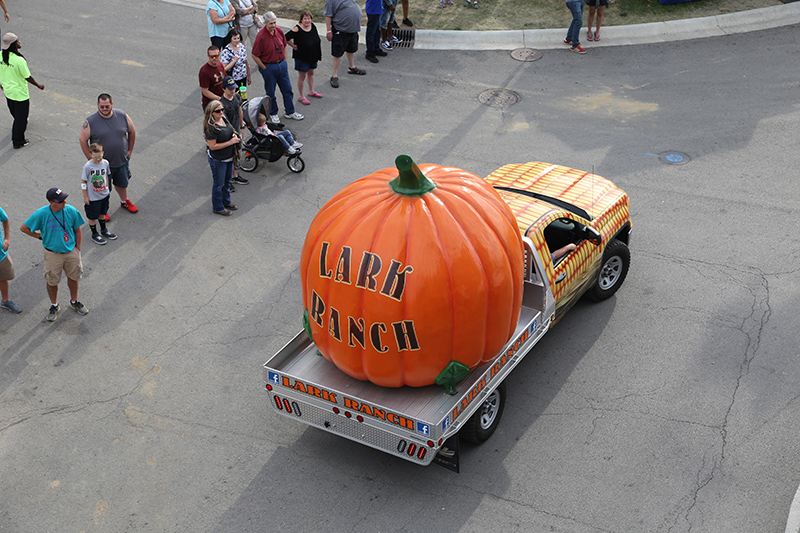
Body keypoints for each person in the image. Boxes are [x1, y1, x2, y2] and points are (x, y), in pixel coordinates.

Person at [20, 188, 88, 322]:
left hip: (71, 252)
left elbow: (78, 231)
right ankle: (54, 305)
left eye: (64, 199)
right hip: (52, 254)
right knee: (52, 281)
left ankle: (74, 301)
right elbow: (24, 228)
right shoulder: (41, 214)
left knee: (74, 277)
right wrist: (40, 237)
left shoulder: (71, 211)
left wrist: (77, 250)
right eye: (60, 200)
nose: (64, 202)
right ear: (52, 202)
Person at [79, 93, 138, 216]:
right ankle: (103, 211)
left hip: (121, 160)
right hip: (101, 165)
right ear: (97, 105)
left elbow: (132, 132)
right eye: (102, 107)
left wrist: (130, 151)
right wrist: (91, 159)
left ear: (112, 104)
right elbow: (82, 140)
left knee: (122, 183)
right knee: (102, 188)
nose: (104, 109)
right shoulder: (91, 121)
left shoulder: (122, 116)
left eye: (107, 106)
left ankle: (124, 201)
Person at [251, 12, 304, 123]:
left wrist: (284, 61)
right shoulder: (261, 36)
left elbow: (284, 45)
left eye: (275, 22)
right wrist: (264, 68)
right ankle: (273, 113)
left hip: (281, 66)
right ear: (265, 23)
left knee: (287, 90)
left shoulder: (279, 31)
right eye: (271, 23)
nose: (273, 25)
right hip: (269, 68)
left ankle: (290, 111)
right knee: (271, 93)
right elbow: (254, 55)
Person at [0, 33, 44, 149]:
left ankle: (20, 120)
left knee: (15, 111)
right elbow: (27, 76)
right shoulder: (19, 60)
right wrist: (38, 85)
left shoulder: (0, 55)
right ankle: (18, 141)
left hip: (8, 91)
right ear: (13, 44)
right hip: (20, 94)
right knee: (21, 120)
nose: (19, 42)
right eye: (17, 41)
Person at [204, 100, 239, 216]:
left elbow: (230, 129)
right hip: (218, 160)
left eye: (222, 110)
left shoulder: (223, 118)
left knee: (227, 181)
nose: (221, 112)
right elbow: (212, 146)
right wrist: (230, 142)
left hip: (228, 157)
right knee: (219, 184)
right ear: (212, 113)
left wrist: (233, 134)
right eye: (218, 111)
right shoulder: (211, 127)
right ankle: (218, 207)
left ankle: (226, 202)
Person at [80, 143, 118, 245]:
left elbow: (106, 174)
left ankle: (104, 230)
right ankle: (94, 234)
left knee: (102, 213)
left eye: (100, 156)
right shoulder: (88, 166)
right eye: (95, 157)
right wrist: (85, 196)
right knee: (92, 216)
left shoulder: (105, 163)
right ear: (91, 154)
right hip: (93, 197)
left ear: (103, 153)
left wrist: (107, 188)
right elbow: (83, 182)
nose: (98, 159)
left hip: (104, 195)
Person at [324, 0, 366, 88]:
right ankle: (334, 75)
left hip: (353, 29)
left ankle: (352, 67)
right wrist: (328, 31)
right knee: (337, 54)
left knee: (351, 49)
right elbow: (328, 15)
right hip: (341, 30)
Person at [285, 10, 324, 103]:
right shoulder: (297, 28)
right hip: (302, 57)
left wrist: (319, 52)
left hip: (313, 55)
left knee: (311, 73)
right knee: (302, 77)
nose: (307, 21)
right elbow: (285, 37)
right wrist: (293, 45)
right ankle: (301, 96)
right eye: (305, 19)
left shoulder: (313, 26)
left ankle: (312, 91)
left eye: (309, 18)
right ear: (301, 20)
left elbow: (316, 40)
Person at [220, 76, 249, 186]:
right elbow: (224, 123)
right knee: (229, 157)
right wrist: (232, 135)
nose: (233, 90)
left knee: (236, 155)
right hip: (229, 134)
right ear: (224, 89)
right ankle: (228, 179)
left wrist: (241, 127)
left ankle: (234, 175)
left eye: (233, 88)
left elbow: (240, 110)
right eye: (230, 88)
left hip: (237, 130)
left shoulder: (236, 96)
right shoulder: (222, 104)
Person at [0, 202, 21, 314]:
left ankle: (5, 301)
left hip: (1, 254)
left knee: (3, 278)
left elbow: (5, 219)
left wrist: (7, 238)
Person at [199, 46, 227, 110]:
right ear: (208, 56)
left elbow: (224, 80)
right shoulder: (204, 71)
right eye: (211, 56)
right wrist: (219, 99)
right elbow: (205, 91)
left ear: (219, 55)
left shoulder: (220, 65)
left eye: (216, 56)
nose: (214, 58)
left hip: (221, 102)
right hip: (210, 104)